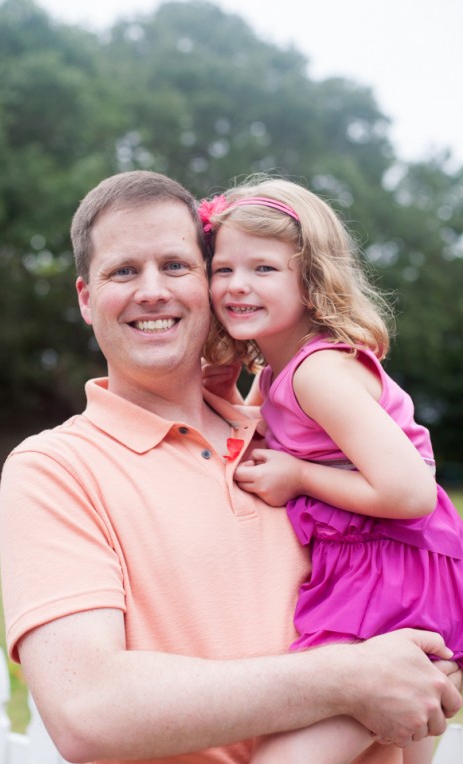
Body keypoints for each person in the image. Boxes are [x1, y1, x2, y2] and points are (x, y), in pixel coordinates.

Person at [0, 170, 461, 764]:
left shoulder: (292, 433)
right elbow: (90, 713)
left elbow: (422, 660)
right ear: (86, 298)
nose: (152, 291)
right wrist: (348, 678)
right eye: (123, 271)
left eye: (176, 265)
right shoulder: (56, 468)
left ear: (205, 287)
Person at [201, 176, 463, 763]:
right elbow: (247, 430)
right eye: (223, 269)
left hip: (395, 578)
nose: (238, 285)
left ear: (311, 281)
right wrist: (218, 382)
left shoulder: (319, 372)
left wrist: (299, 476)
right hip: (382, 569)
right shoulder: (277, 373)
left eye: (264, 269)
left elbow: (413, 491)